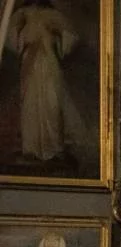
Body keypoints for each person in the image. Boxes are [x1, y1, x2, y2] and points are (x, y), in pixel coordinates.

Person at [12, 0, 78, 164]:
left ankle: (54, 148)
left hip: (49, 63)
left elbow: (69, 36)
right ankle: (31, 149)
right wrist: (25, 39)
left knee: (51, 103)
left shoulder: (53, 14)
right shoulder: (23, 13)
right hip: (30, 65)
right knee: (30, 104)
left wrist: (54, 38)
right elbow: (13, 34)